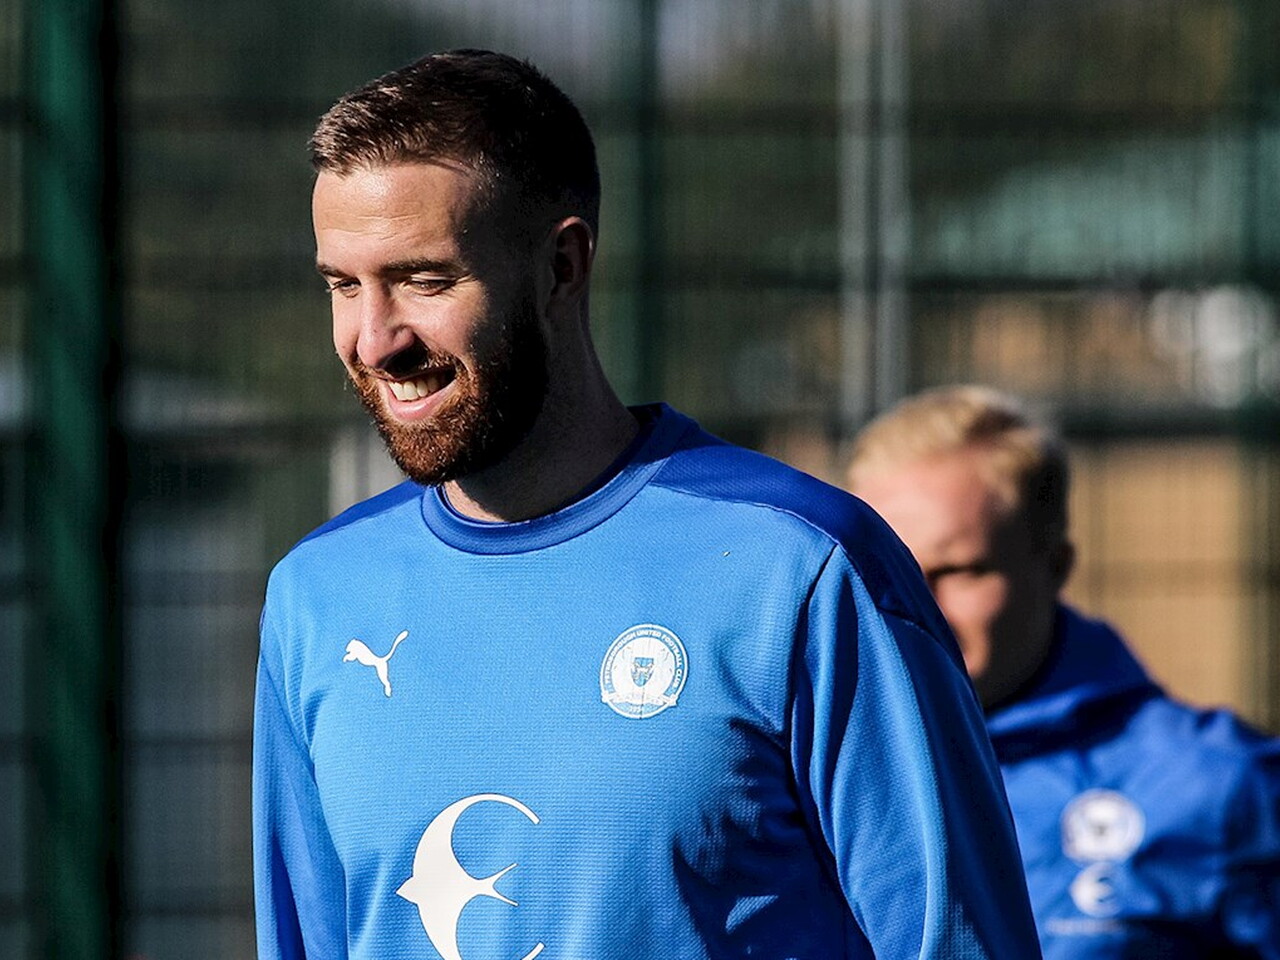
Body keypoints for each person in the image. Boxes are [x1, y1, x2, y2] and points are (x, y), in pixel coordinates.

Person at [252, 49, 1040, 959]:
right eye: (343, 286)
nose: (374, 339)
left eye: (425, 280)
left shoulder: (802, 569)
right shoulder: (318, 597)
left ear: (563, 265)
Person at [847, 384, 1280, 959]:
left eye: (958, 571)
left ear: (1054, 566)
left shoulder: (1217, 786)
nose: (915, 607)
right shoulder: (789, 776)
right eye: (885, 572)